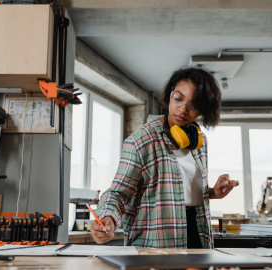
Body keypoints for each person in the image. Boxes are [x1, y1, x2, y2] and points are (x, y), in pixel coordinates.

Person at [90, 67, 239, 249]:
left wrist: (214, 192)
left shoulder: (200, 141)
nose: (183, 110)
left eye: (193, 105)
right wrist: (107, 217)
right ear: (170, 94)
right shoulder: (140, 141)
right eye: (178, 98)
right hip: (155, 243)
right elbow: (117, 194)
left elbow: (182, 190)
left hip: (198, 236)